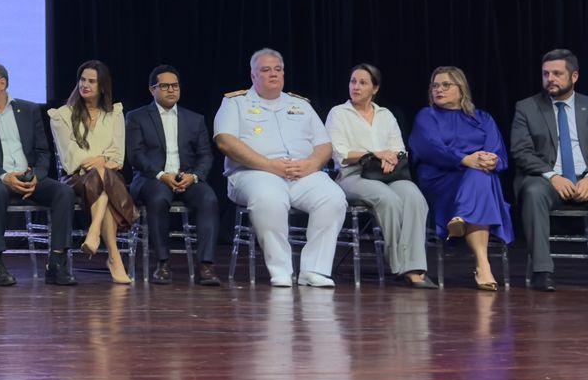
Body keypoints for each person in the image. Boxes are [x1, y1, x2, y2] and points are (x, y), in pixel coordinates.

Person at [213, 48, 346, 288]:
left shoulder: (300, 104)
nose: (273, 74)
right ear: (253, 76)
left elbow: (325, 144)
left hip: (301, 172)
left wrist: (312, 165)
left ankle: (314, 269)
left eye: (278, 69)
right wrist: (269, 165)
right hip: (254, 172)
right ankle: (281, 270)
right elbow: (225, 140)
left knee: (333, 197)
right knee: (269, 198)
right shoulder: (236, 102)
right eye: (265, 70)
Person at [507, 49, 588, 293]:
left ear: (574, 76)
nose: (550, 79)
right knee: (534, 191)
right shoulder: (527, 107)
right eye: (546, 74)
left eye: (557, 73)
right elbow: (521, 151)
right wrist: (553, 176)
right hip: (545, 180)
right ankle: (542, 270)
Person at [324, 63, 437, 289]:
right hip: (352, 174)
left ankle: (415, 265)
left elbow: (399, 148)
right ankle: (401, 266)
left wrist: (391, 158)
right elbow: (340, 153)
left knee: (415, 198)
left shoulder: (385, 115)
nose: (355, 87)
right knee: (387, 199)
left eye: (363, 83)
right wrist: (374, 153)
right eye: (353, 81)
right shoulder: (339, 113)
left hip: (386, 173)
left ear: (375, 89)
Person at [0, 62, 76, 286]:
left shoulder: (29, 110)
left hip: (29, 177)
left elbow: (42, 152)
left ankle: (57, 262)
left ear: (2, 83)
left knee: (63, 192)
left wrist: (36, 174)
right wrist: (3, 176)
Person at [409, 65, 513, 291]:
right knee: (480, 178)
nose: (439, 90)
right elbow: (428, 148)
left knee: (482, 175)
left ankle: (466, 227)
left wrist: (491, 161)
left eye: (446, 85)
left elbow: (498, 152)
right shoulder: (427, 116)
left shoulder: (482, 118)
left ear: (461, 88)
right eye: (435, 85)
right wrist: (465, 160)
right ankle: (482, 265)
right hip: (441, 181)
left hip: (478, 180)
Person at [124, 65, 221, 286]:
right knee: (158, 198)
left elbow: (205, 155)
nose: (171, 90)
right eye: (165, 86)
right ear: (152, 90)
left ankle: (206, 266)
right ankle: (163, 263)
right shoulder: (136, 117)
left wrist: (194, 176)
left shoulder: (194, 119)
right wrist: (161, 175)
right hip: (151, 178)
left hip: (186, 177)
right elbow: (136, 155)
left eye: (175, 86)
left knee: (209, 199)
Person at [49, 60, 135, 285]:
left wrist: (103, 162)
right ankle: (113, 255)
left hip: (106, 177)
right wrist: (100, 161)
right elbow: (70, 155)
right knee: (101, 178)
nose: (85, 85)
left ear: (103, 86)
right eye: (83, 80)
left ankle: (95, 232)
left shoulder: (114, 114)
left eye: (92, 81)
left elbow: (118, 155)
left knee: (101, 182)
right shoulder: (62, 115)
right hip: (76, 177)